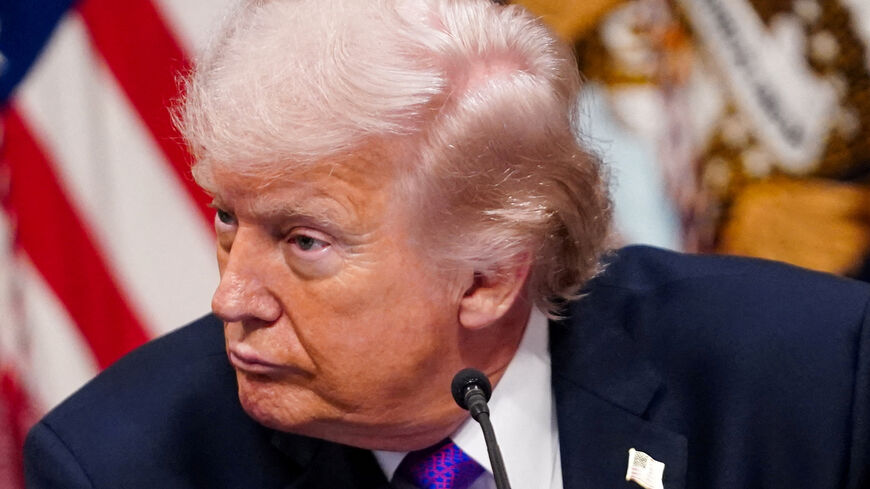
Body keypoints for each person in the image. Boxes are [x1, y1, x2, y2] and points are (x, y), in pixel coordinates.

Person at [23, 0, 870, 488]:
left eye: (304, 240)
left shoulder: (813, 375)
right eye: (226, 218)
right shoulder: (126, 464)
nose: (232, 298)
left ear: (489, 275)